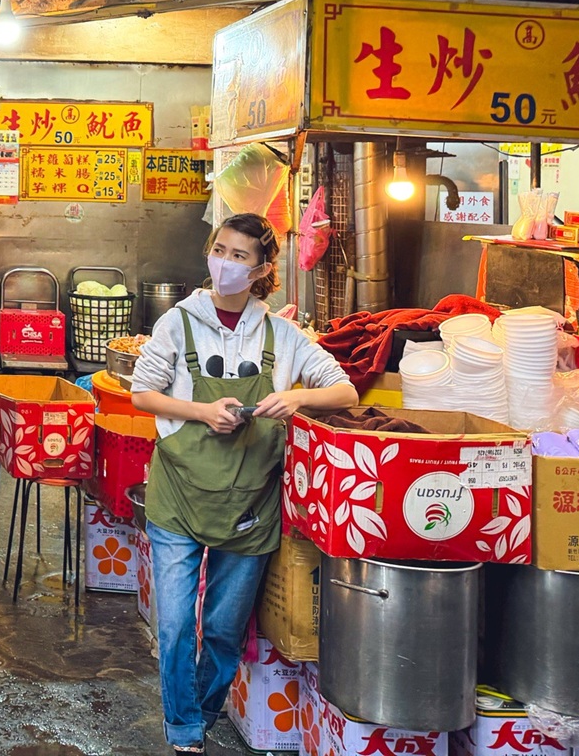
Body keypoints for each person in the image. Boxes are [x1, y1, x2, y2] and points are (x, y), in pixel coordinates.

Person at [130, 213, 358, 756]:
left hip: (250, 502)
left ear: (262, 269)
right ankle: (184, 728)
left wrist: (298, 397)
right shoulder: (177, 322)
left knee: (226, 630)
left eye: (239, 256)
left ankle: (204, 710)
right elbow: (143, 393)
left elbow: (345, 391)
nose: (225, 264)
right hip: (179, 496)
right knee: (178, 625)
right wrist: (202, 412)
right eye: (220, 250)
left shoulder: (282, 333)